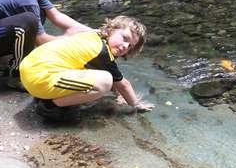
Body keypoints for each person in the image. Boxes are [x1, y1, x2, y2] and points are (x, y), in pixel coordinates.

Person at [19, 15, 154, 121]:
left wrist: (118, 93)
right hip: (38, 79)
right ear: (111, 31)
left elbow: (115, 79)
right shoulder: (102, 53)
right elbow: (124, 84)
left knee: (100, 75)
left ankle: (47, 96)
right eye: (124, 38)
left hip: (30, 67)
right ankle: (50, 106)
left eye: (130, 46)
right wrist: (136, 105)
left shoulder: (93, 36)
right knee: (105, 81)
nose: (125, 46)